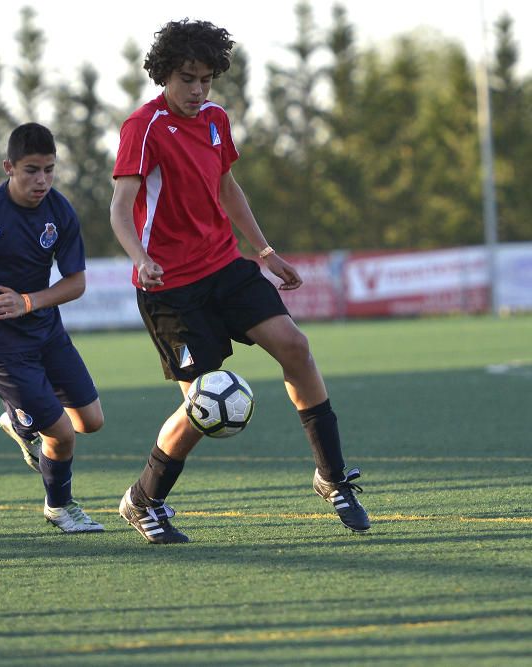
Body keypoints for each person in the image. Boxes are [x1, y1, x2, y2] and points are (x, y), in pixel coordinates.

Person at [109, 20, 371, 544]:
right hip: (171, 289)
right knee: (202, 405)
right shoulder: (143, 127)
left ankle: (332, 476)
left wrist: (264, 250)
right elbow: (119, 208)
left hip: (225, 266)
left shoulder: (215, 120)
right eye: (188, 78)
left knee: (296, 347)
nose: (198, 90)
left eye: (206, 79)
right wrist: (141, 258)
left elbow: (227, 187)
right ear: (165, 74)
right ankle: (144, 499)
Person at [0, 122, 106, 533]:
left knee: (90, 422)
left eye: (49, 169)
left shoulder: (60, 212)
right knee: (63, 435)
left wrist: (28, 302)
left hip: (46, 331)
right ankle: (59, 508)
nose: (42, 180)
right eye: (32, 170)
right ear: (8, 167)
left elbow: (76, 283)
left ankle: (20, 420)